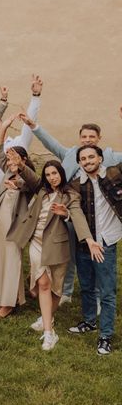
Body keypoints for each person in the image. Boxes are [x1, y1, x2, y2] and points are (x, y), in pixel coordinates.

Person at [22, 114, 122, 305]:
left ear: (99, 138)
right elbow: (50, 143)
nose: (87, 140)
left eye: (91, 137)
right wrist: (34, 126)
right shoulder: (70, 154)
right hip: (68, 211)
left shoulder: (108, 156)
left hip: (97, 217)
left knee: (97, 257)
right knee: (67, 254)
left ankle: (100, 297)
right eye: (84, 137)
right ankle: (66, 292)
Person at [10, 159, 103, 351]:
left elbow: (77, 216)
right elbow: (30, 176)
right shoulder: (42, 190)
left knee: (55, 290)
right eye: (48, 174)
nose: (52, 178)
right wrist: (20, 165)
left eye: (55, 173)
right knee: (43, 284)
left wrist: (85, 235)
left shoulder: (70, 195)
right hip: (36, 242)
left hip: (57, 245)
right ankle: (49, 333)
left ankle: (47, 317)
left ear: (61, 173)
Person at [67, 145, 122, 355]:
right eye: (83, 158)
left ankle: (105, 336)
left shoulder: (115, 173)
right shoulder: (75, 184)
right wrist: (88, 240)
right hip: (85, 244)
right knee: (87, 286)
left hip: (106, 242)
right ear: (79, 162)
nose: (88, 161)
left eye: (91, 157)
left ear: (100, 158)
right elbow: (76, 212)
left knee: (107, 292)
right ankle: (89, 321)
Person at [0, 115, 37, 319]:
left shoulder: (28, 174)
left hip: (16, 224)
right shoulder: (7, 170)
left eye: (15, 158)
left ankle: (9, 303)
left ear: (24, 160)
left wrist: (19, 174)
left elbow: (32, 185)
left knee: (13, 260)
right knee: (0, 259)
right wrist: (4, 126)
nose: (11, 161)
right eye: (9, 159)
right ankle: (2, 296)